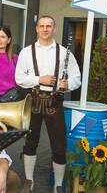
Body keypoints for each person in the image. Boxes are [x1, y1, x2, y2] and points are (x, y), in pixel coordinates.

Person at [15, 15, 81, 193]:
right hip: (34, 100)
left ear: (54, 28)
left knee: (59, 145)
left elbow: (76, 78)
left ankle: (58, 185)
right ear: (36, 28)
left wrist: (69, 85)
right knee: (30, 142)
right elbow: (19, 78)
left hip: (55, 102)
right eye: (42, 26)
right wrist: (39, 79)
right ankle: (29, 181)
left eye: (48, 26)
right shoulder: (26, 52)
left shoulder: (65, 53)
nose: (45, 29)